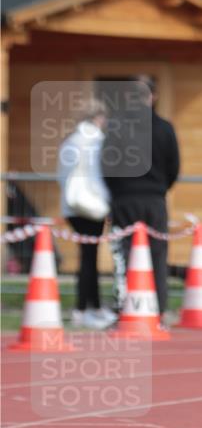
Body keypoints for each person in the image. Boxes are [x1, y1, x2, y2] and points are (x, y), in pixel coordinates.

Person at [102, 76, 180, 322]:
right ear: (152, 97)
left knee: (122, 256)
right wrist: (159, 188)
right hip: (154, 199)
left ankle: (123, 308)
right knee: (157, 254)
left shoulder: (116, 126)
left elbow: (106, 164)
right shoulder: (165, 128)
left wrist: (117, 190)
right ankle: (158, 309)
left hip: (123, 198)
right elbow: (173, 166)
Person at [57, 99, 115, 330]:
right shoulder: (97, 141)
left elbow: (63, 175)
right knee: (90, 258)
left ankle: (88, 307)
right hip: (92, 206)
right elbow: (98, 176)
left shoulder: (70, 141)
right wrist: (107, 202)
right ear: (97, 118)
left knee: (86, 257)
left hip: (72, 207)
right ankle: (88, 308)